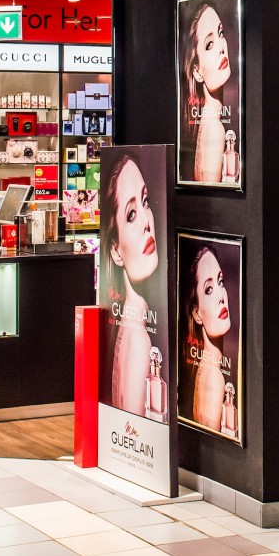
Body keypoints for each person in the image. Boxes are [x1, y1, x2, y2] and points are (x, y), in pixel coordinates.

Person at [101, 155, 164, 417]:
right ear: (115, 251)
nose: (147, 223)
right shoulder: (139, 342)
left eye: (145, 201)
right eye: (131, 214)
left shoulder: (127, 327)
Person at [182, 2, 235, 184]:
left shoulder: (207, 124)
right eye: (209, 44)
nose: (221, 46)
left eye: (220, 33)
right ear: (196, 70)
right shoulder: (215, 130)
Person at [181, 245, 231, 432]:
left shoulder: (205, 368)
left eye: (221, 282)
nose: (221, 296)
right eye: (208, 289)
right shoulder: (214, 379)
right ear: (196, 312)